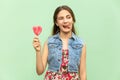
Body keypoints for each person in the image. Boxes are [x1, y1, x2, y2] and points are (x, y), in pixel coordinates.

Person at [33, 5, 86, 80]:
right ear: (56, 23)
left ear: (73, 20)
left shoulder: (80, 44)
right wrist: (38, 51)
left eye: (68, 17)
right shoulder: (49, 42)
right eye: (61, 18)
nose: (65, 21)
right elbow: (39, 71)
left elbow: (82, 73)